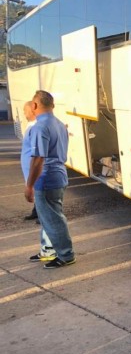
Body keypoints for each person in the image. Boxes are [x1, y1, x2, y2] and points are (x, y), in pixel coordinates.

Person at [24, 90, 76, 269]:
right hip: (59, 175)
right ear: (52, 105)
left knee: (53, 219)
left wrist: (29, 185)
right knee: (50, 217)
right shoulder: (59, 124)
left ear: (35, 105)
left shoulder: (40, 127)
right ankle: (49, 251)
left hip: (46, 179)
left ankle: (66, 255)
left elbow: (38, 158)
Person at [20, 102, 39, 222]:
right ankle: (36, 211)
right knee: (36, 190)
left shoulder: (36, 126)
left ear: (32, 110)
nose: (24, 113)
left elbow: (37, 152)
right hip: (27, 165)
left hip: (33, 165)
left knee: (38, 189)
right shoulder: (30, 125)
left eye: (25, 111)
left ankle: (42, 215)